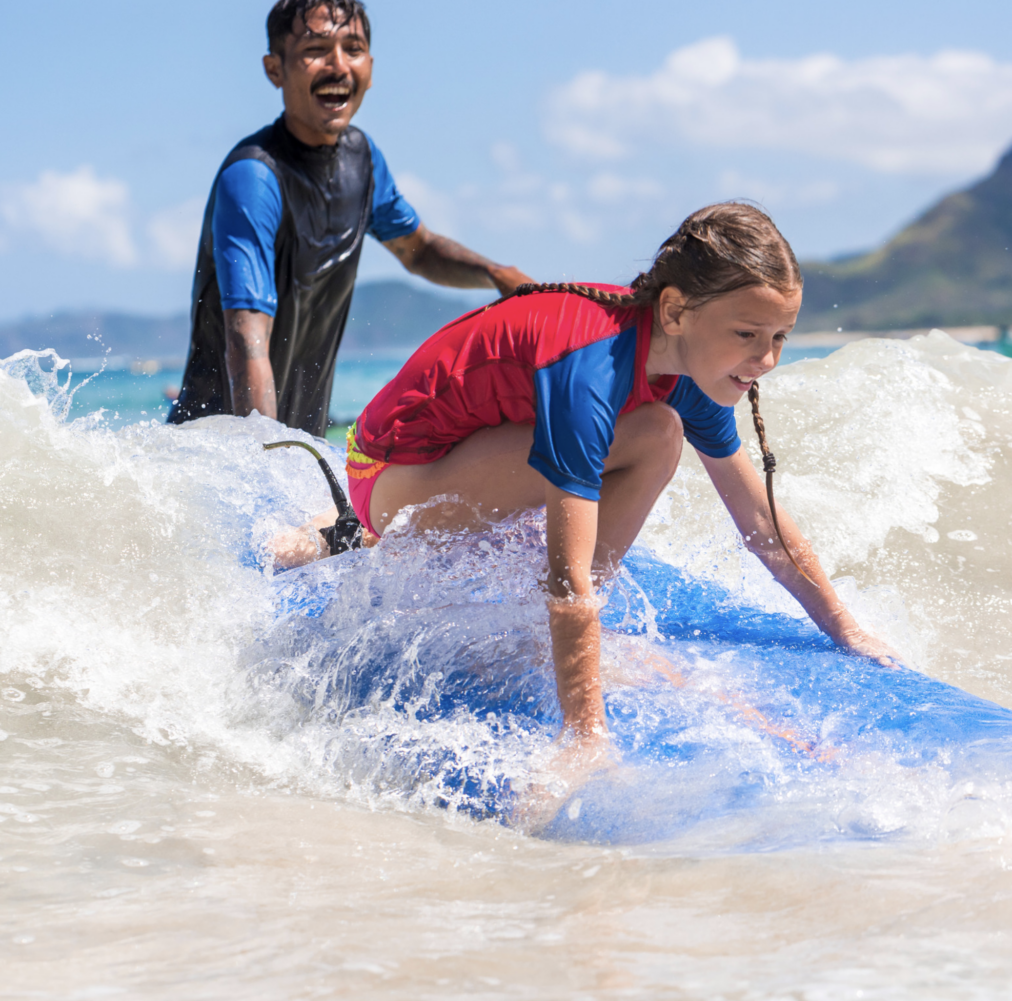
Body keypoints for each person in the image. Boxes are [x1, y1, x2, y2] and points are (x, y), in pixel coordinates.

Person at [270, 202, 898, 756]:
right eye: (747, 335)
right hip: (390, 479)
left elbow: (760, 521)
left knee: (655, 429)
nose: (766, 361)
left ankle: (341, 536)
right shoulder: (593, 367)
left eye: (780, 337)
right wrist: (585, 734)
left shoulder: (686, 363)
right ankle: (367, 533)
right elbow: (568, 580)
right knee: (656, 435)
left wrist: (844, 628)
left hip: (447, 463)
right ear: (677, 310)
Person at [168, 0, 531, 436]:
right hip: (213, 465)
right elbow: (248, 341)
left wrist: (497, 274)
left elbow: (419, 251)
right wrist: (267, 470)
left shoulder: (363, 161)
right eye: (315, 49)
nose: (338, 66)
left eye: (352, 48)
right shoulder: (253, 177)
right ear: (274, 70)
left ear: (371, 69)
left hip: (299, 452)